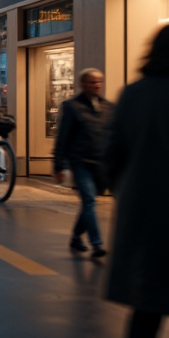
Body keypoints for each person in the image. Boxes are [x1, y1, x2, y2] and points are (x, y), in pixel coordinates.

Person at [104, 25, 169, 338]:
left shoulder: (132, 95)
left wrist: (128, 192)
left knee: (145, 312)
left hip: (144, 218)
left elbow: (111, 155)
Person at [54, 68, 113, 259]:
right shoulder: (71, 106)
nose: (96, 85)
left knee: (89, 203)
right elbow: (62, 138)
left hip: (101, 163)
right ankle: (97, 244)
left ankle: (76, 236)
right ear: (82, 84)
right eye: (92, 82)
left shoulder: (108, 107)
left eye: (98, 82)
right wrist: (59, 165)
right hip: (80, 161)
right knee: (89, 200)